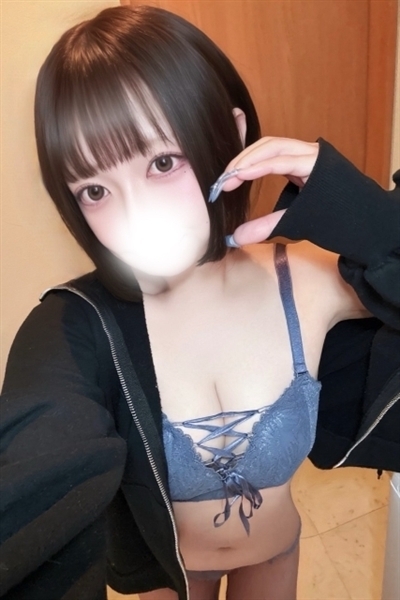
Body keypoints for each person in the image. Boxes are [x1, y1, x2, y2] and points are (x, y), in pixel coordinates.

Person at [0, 5, 399, 600]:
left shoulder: (306, 280)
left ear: (230, 136)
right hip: (170, 574)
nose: (135, 216)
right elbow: (34, 477)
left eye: (162, 163)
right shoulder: (75, 327)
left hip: (275, 554)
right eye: (95, 190)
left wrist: (364, 213)